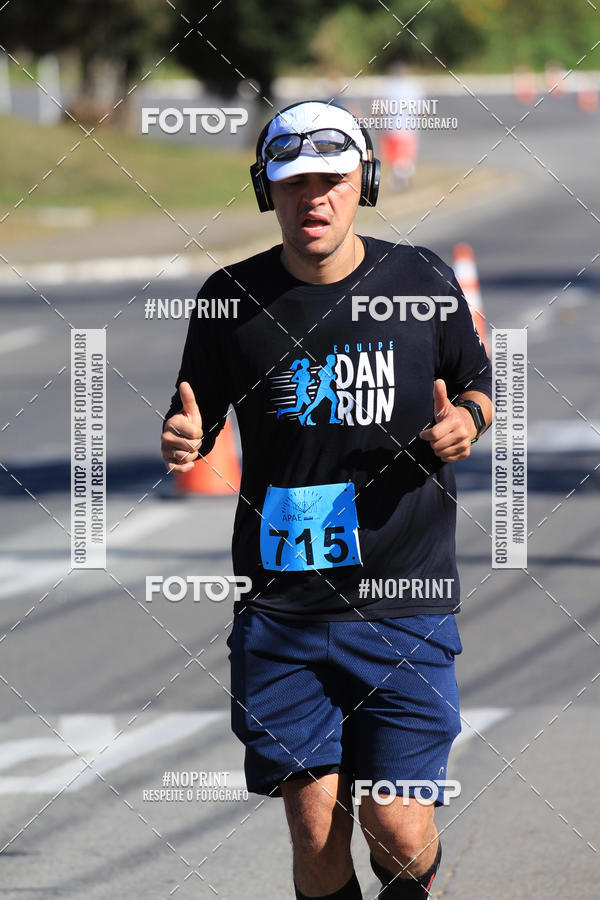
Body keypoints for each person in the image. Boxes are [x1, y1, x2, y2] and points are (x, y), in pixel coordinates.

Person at [161, 100, 492, 899]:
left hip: (404, 602)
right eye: (293, 183)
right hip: (283, 609)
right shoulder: (229, 298)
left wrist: (468, 422)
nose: (314, 199)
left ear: (364, 183)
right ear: (266, 193)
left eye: (332, 181)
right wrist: (185, 439)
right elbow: (195, 419)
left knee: (399, 828)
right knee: (315, 833)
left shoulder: (420, 282)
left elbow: (477, 383)